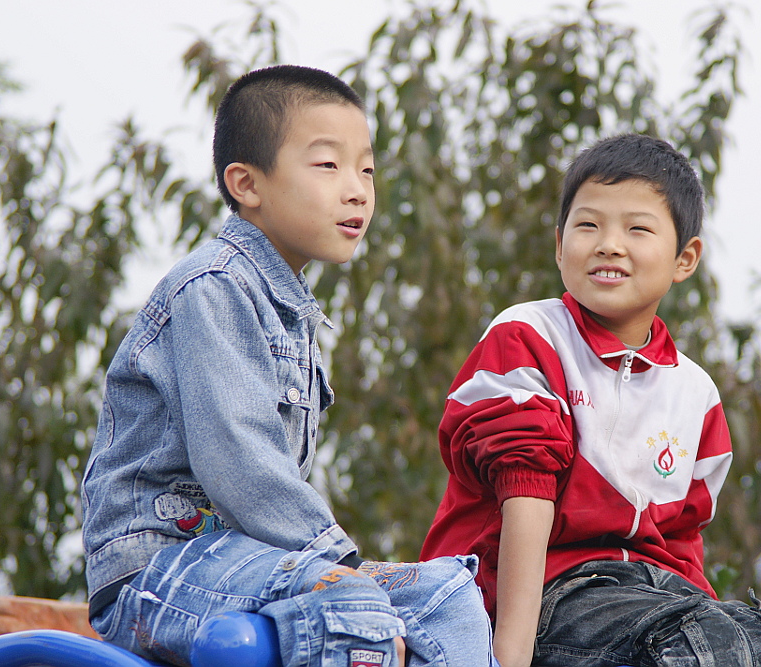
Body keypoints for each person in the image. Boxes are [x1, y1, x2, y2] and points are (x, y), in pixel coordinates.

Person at [81, 65, 492, 667]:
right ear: (247, 184)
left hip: (254, 560)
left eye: (367, 170)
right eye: (328, 166)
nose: (357, 190)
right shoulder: (213, 287)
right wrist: (335, 559)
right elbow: (238, 459)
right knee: (350, 603)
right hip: (159, 567)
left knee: (447, 595)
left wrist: (332, 563)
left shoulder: (292, 310)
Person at [420, 134, 761, 667]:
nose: (609, 244)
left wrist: (726, 634)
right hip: (540, 594)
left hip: (651, 600)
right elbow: (525, 502)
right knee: (693, 645)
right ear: (559, 246)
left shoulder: (696, 396)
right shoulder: (528, 337)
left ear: (684, 258)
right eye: (588, 225)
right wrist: (508, 659)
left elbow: (680, 551)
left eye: (637, 228)